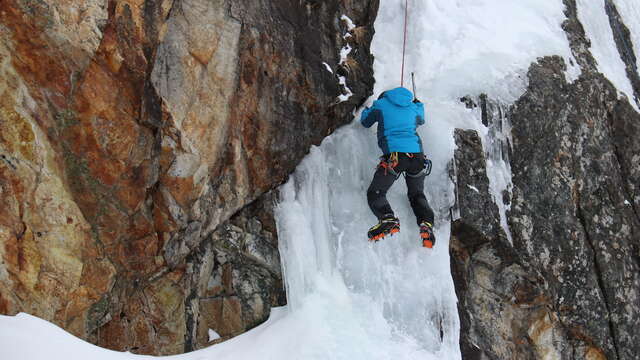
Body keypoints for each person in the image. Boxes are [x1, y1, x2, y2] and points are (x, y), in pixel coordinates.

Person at [360, 87, 436, 248]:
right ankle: (426, 224)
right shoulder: (413, 107)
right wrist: (419, 104)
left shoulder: (380, 104)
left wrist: (365, 108)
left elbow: (365, 122)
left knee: (376, 192)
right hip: (417, 157)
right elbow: (421, 118)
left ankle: (387, 218)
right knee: (417, 194)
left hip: (396, 157)